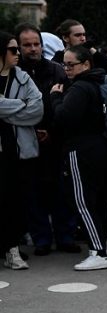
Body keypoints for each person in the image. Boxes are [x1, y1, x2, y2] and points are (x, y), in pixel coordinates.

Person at [14, 23, 78, 258]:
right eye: (27, 45)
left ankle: (65, 236)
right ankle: (41, 238)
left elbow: (63, 103)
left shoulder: (56, 71)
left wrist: (50, 130)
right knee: (33, 191)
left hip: (55, 139)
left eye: (36, 44)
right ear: (19, 47)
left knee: (61, 190)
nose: (33, 49)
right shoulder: (14, 73)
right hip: (25, 139)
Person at [51, 44, 107, 270]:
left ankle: (98, 252)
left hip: (80, 149)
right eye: (64, 64)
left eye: (71, 64)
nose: (66, 69)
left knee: (83, 201)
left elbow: (64, 118)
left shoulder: (79, 88)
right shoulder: (96, 83)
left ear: (85, 64)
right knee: (99, 201)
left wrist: (56, 98)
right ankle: (101, 245)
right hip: (99, 147)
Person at [1, 30, 43, 270]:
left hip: (18, 152)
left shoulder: (23, 77)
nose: (18, 54)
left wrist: (6, 108)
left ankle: (12, 249)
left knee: (16, 202)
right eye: (13, 50)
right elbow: (27, 108)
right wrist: (20, 106)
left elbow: (36, 110)